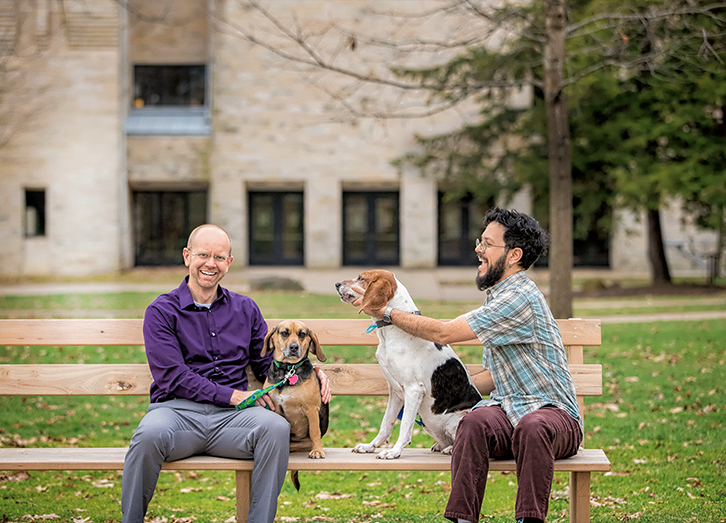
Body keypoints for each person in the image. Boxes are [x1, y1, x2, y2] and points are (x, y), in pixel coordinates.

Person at [354, 207, 583, 523]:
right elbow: (491, 375)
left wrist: (386, 313)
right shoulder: (496, 297)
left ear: (514, 255)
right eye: (481, 241)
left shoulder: (519, 298)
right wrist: (442, 399)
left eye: (488, 244)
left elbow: (443, 332)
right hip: (509, 412)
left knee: (532, 426)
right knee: (473, 422)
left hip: (555, 418)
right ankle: (463, 519)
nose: (478, 248)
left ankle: (528, 520)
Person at [121, 224, 331, 523]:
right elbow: (171, 376)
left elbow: (266, 365)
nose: (211, 263)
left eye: (219, 257)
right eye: (203, 255)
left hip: (235, 422)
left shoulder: (245, 308)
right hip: (177, 415)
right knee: (148, 435)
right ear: (187, 256)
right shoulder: (162, 311)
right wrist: (233, 395)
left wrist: (308, 375)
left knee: (275, 429)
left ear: (228, 263)